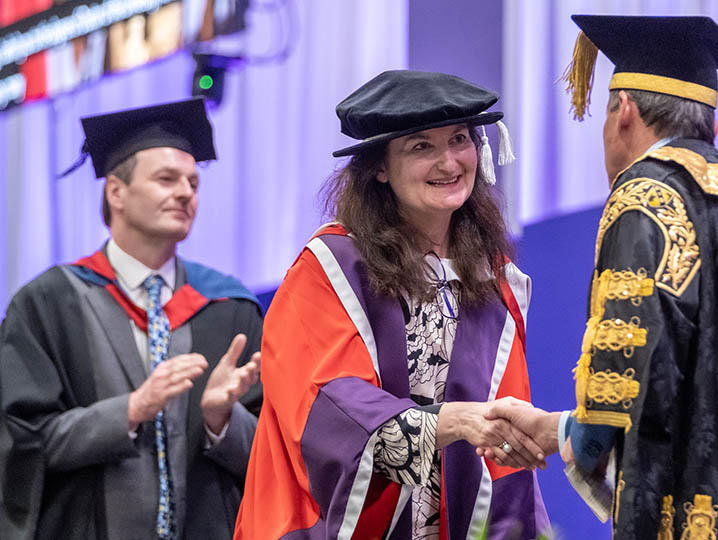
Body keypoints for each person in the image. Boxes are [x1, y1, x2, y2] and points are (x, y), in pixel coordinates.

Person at [485, 15, 718, 539]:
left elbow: (627, 390)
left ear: (624, 114)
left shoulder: (647, 196)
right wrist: (553, 430)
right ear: (712, 128)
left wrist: (559, 433)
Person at [234, 70, 551, 540]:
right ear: (380, 167)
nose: (449, 161)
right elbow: (331, 409)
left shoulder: (492, 276)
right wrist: (456, 420)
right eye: (421, 147)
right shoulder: (330, 269)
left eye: (459, 139)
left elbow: (505, 442)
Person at [0, 98, 263, 540]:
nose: (186, 192)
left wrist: (222, 420)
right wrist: (131, 410)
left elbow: (274, 455)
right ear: (116, 192)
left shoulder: (230, 307)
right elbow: (21, 443)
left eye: (193, 182)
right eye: (166, 179)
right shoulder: (48, 304)